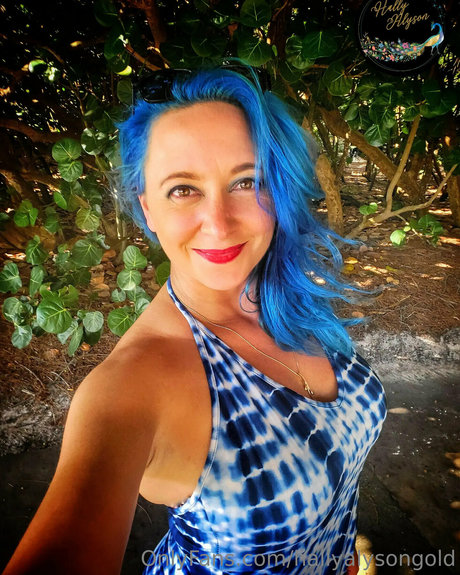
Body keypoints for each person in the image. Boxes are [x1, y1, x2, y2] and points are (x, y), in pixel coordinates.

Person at [3, 66, 387, 575]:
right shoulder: (128, 390)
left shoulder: (287, 294)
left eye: (247, 181)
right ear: (148, 209)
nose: (219, 224)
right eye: (183, 189)